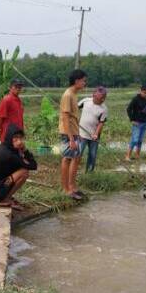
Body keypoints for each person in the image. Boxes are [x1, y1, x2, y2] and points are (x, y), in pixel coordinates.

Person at [0, 124, 38, 210]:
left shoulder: (4, 147)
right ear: (9, 138)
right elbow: (33, 166)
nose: (19, 141)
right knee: (24, 172)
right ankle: (4, 199)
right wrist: (25, 150)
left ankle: (5, 196)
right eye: (15, 138)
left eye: (20, 138)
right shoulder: (9, 154)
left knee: (20, 169)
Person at [59, 69, 87, 200]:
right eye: (83, 81)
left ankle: (72, 186)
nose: (85, 83)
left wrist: (77, 133)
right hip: (67, 133)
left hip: (74, 132)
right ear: (77, 81)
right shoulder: (68, 95)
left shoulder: (74, 94)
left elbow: (73, 117)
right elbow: (65, 118)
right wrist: (71, 138)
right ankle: (66, 189)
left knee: (75, 158)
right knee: (67, 158)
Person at [77, 86, 108, 172]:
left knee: (92, 155)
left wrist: (96, 134)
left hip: (94, 136)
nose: (102, 100)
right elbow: (75, 109)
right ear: (94, 95)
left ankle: (89, 173)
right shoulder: (86, 101)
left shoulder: (104, 109)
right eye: (100, 98)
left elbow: (101, 123)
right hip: (82, 133)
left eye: (103, 98)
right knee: (78, 153)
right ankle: (74, 171)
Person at [125, 85, 146, 161]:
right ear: (140, 91)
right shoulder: (135, 99)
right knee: (134, 140)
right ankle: (127, 156)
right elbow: (128, 109)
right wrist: (132, 120)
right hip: (137, 123)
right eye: (144, 92)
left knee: (140, 140)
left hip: (145, 122)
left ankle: (137, 155)